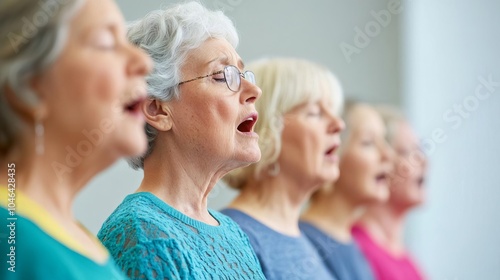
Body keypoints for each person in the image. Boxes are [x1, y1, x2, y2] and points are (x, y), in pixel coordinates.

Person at [97, 2, 265, 279]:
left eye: (243, 74)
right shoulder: (142, 234)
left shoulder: (232, 231)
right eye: (223, 76)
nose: (254, 90)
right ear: (157, 110)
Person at [0, 0, 152, 279]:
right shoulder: (11, 241)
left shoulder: (80, 241)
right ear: (29, 85)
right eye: (106, 42)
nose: (144, 62)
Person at [221, 57, 344, 280]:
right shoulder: (235, 240)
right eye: (315, 112)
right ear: (266, 129)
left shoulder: (302, 239)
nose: (339, 124)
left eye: (333, 110)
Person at [300, 101, 393, 280]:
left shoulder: (353, 246)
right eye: (368, 143)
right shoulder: (307, 244)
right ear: (333, 152)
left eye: (385, 141)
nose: (387, 154)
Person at [352, 105, 427, 280]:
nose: (423, 161)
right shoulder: (357, 248)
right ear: (382, 161)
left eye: (420, 150)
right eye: (406, 152)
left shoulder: (408, 261)